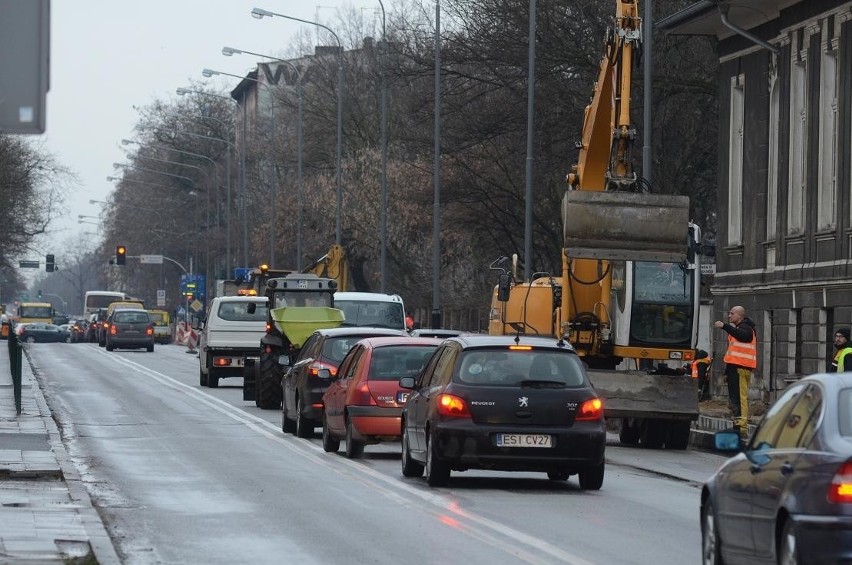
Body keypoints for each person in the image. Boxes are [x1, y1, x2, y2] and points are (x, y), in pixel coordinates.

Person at [714, 306, 757, 435]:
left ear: (740, 315)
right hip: (735, 367)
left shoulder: (747, 328)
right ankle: (737, 425)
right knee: (734, 398)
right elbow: (732, 353)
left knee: (740, 398)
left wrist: (724, 326)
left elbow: (744, 337)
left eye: (732, 314)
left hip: (741, 368)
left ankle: (741, 427)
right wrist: (727, 372)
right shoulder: (739, 328)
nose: (729, 316)